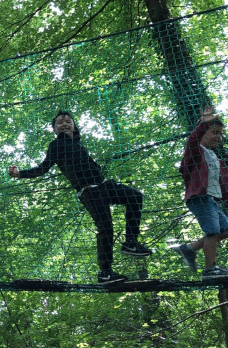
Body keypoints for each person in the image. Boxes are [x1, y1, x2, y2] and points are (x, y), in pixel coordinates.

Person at [8, 111, 152, 284]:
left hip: (104, 186)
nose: (64, 124)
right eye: (59, 123)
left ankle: (130, 242)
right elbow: (43, 168)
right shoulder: (57, 145)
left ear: (74, 126)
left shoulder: (79, 145)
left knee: (134, 196)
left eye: (68, 121)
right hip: (90, 192)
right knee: (106, 228)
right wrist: (20, 174)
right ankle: (105, 272)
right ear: (54, 129)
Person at [175, 106, 228, 279]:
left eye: (220, 134)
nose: (218, 137)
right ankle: (210, 270)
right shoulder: (196, 152)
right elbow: (192, 140)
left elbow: (226, 173)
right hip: (199, 197)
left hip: (210, 199)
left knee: (227, 230)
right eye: (215, 132)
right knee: (212, 232)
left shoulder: (214, 157)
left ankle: (189, 248)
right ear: (204, 132)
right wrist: (203, 124)